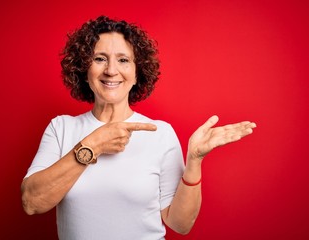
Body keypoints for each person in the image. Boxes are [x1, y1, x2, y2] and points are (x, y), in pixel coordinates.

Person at [21, 16, 256, 240]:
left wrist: (194, 161)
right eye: (100, 58)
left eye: (123, 60)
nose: (111, 70)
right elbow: (32, 203)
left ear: (136, 74)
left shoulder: (160, 134)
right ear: (84, 70)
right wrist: (92, 145)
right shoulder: (61, 128)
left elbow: (180, 224)